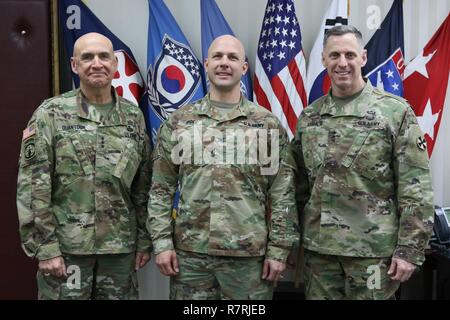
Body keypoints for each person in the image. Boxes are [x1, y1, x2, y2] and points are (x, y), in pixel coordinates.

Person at [147, 35, 299, 300]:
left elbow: (281, 192)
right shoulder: (180, 122)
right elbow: (161, 188)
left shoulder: (266, 125)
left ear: (244, 67)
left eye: (232, 57)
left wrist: (278, 250)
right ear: (206, 64)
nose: (224, 63)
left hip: (249, 259)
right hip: (192, 257)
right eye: (217, 57)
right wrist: (161, 244)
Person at [290, 25, 434, 300]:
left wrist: (409, 250)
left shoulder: (394, 112)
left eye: (349, 54)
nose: (342, 63)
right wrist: (290, 244)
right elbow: (297, 187)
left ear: (363, 58)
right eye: (334, 55)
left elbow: (415, 187)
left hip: (373, 254)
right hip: (320, 254)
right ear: (323, 59)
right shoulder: (310, 117)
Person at [16, 32, 152, 300]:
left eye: (104, 56)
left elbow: (143, 184)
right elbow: (33, 187)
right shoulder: (50, 114)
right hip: (67, 251)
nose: (97, 63)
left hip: (119, 252)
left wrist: (144, 240)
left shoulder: (133, 116)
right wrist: (46, 249)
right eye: (87, 57)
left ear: (114, 64)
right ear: (74, 65)